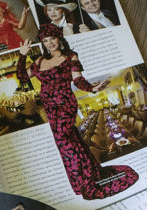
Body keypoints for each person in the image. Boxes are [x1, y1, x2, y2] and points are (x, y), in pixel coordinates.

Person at [17, 24, 139, 199]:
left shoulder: (70, 56)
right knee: (67, 143)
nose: (50, 43)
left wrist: (93, 88)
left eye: (52, 38)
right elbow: (22, 77)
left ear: (59, 38)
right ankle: (81, 180)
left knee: (65, 140)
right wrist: (22, 56)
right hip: (50, 108)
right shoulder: (39, 61)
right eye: (45, 40)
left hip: (66, 104)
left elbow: (78, 81)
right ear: (42, 43)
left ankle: (85, 179)